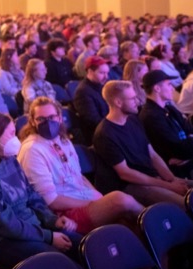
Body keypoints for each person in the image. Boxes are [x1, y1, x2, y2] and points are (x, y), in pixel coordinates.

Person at [0, 111, 82, 269]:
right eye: (11, 133)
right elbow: (4, 224)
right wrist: (48, 237)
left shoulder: (9, 158)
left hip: (32, 228)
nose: (15, 138)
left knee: (86, 247)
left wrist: (52, 220)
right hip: (5, 241)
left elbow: (31, 194)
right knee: (64, 266)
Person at [18, 97, 143, 234]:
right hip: (65, 214)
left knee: (128, 223)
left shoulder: (63, 140)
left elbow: (79, 177)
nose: (48, 123)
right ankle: (155, 221)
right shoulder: (32, 150)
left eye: (52, 117)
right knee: (121, 200)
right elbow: (51, 201)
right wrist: (93, 203)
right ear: (32, 122)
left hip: (83, 199)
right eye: (41, 119)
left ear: (60, 118)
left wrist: (98, 197)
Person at [94, 81, 193, 207]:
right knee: (188, 205)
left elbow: (152, 155)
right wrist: (169, 186)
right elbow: (125, 173)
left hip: (150, 178)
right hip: (129, 186)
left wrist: (172, 179)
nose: (138, 101)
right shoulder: (105, 134)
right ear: (118, 102)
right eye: (132, 98)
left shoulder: (133, 120)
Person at [73, 56, 111, 141]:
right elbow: (93, 121)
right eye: (102, 73)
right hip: (98, 135)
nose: (106, 77)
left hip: (107, 129)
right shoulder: (83, 92)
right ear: (90, 71)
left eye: (107, 73)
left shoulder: (101, 86)